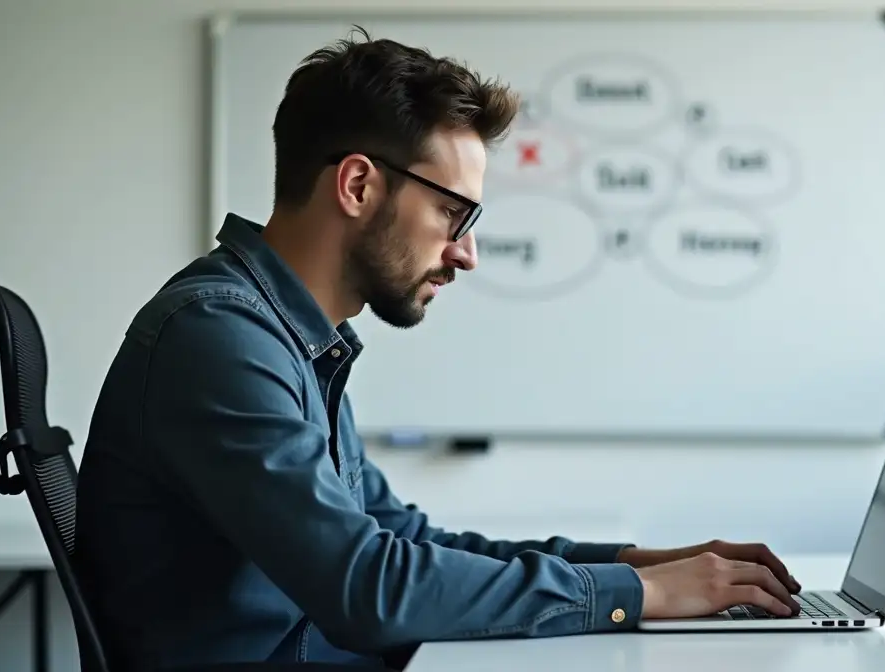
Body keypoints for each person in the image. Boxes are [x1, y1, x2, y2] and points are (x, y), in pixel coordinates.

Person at [74, 29, 801, 670]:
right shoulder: (218, 337)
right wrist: (635, 595)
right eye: (452, 212)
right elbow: (368, 589)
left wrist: (636, 566)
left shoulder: (292, 338)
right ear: (358, 185)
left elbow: (399, 539)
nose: (466, 253)